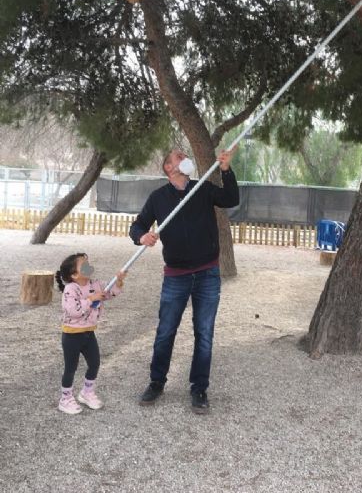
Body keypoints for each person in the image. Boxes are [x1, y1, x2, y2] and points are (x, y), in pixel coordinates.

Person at [129, 148, 239, 414]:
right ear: (168, 168)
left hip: (207, 274)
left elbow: (231, 198)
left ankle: (199, 389)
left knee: (204, 334)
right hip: (175, 276)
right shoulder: (158, 198)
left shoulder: (202, 188)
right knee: (166, 331)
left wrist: (226, 170)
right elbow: (137, 226)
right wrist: (142, 236)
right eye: (179, 156)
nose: (185, 157)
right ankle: (156, 383)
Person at [55, 252, 126, 415]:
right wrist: (91, 299)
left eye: (88, 263)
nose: (89, 266)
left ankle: (86, 392)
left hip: (88, 333)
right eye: (84, 266)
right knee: (71, 368)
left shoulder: (95, 284)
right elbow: (73, 311)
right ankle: (65, 399)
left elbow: (110, 292)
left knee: (94, 363)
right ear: (74, 275)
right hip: (72, 335)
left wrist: (119, 281)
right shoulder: (70, 289)